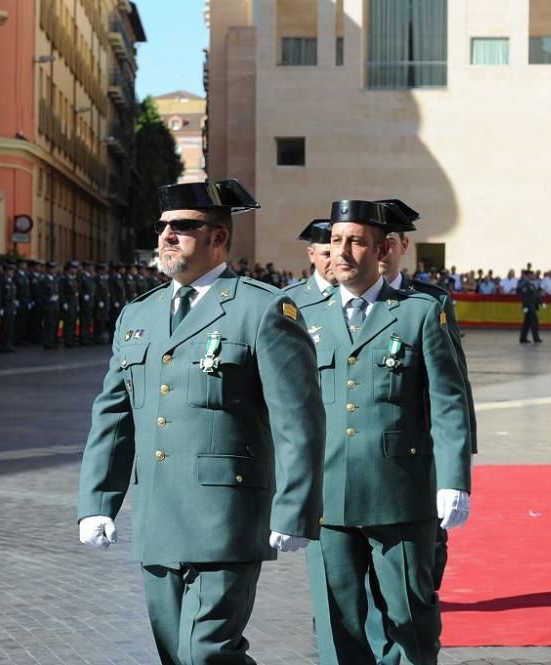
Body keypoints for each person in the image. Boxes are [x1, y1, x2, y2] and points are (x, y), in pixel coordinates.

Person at [77, 179, 324, 665]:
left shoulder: (261, 308)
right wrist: (96, 500)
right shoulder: (138, 313)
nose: (167, 235)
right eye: (163, 226)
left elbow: (298, 418)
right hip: (156, 515)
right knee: (176, 654)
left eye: (184, 227)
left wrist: (295, 507)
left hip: (226, 516)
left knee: (204, 652)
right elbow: (114, 415)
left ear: (218, 238)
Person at [299, 198, 472, 665]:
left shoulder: (418, 311)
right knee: (337, 622)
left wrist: (453, 479)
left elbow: (449, 401)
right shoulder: (299, 311)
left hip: (400, 492)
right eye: (336, 241)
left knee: (409, 617)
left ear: (382, 251)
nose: (342, 251)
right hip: (326, 495)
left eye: (355, 241)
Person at [283, 219, 336, 307]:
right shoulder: (290, 298)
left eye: (338, 254)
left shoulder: (358, 297)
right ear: (311, 254)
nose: (335, 260)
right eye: (327, 254)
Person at [0, 263, 17, 353]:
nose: (12, 273)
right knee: (4, 327)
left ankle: (8, 344)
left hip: (11, 306)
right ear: (6, 272)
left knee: (10, 327)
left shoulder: (11, 282)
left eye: (12, 271)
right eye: (10, 271)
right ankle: (2, 345)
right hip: (5, 306)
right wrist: (0, 308)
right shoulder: (2, 281)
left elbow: (13, 295)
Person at [517, 270, 543, 343]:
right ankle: (536, 338)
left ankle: (523, 338)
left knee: (526, 323)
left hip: (533, 307)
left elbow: (536, 296)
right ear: (528, 275)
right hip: (529, 307)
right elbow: (525, 297)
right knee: (534, 322)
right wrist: (525, 306)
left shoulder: (532, 284)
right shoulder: (525, 284)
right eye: (532, 275)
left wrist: (541, 303)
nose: (534, 276)